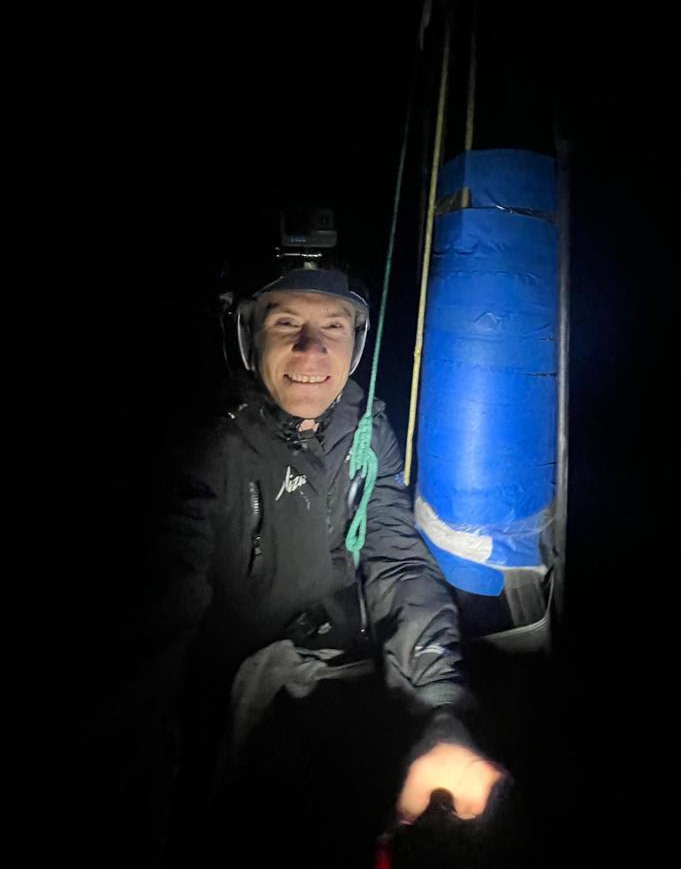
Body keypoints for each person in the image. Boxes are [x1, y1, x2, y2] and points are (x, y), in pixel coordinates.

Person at [154, 265, 505, 861]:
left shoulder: (366, 431)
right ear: (248, 338)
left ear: (356, 342)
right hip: (245, 684)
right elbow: (160, 595)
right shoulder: (208, 445)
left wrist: (441, 703)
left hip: (349, 662)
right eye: (286, 323)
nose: (311, 348)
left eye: (333, 326)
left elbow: (396, 559)